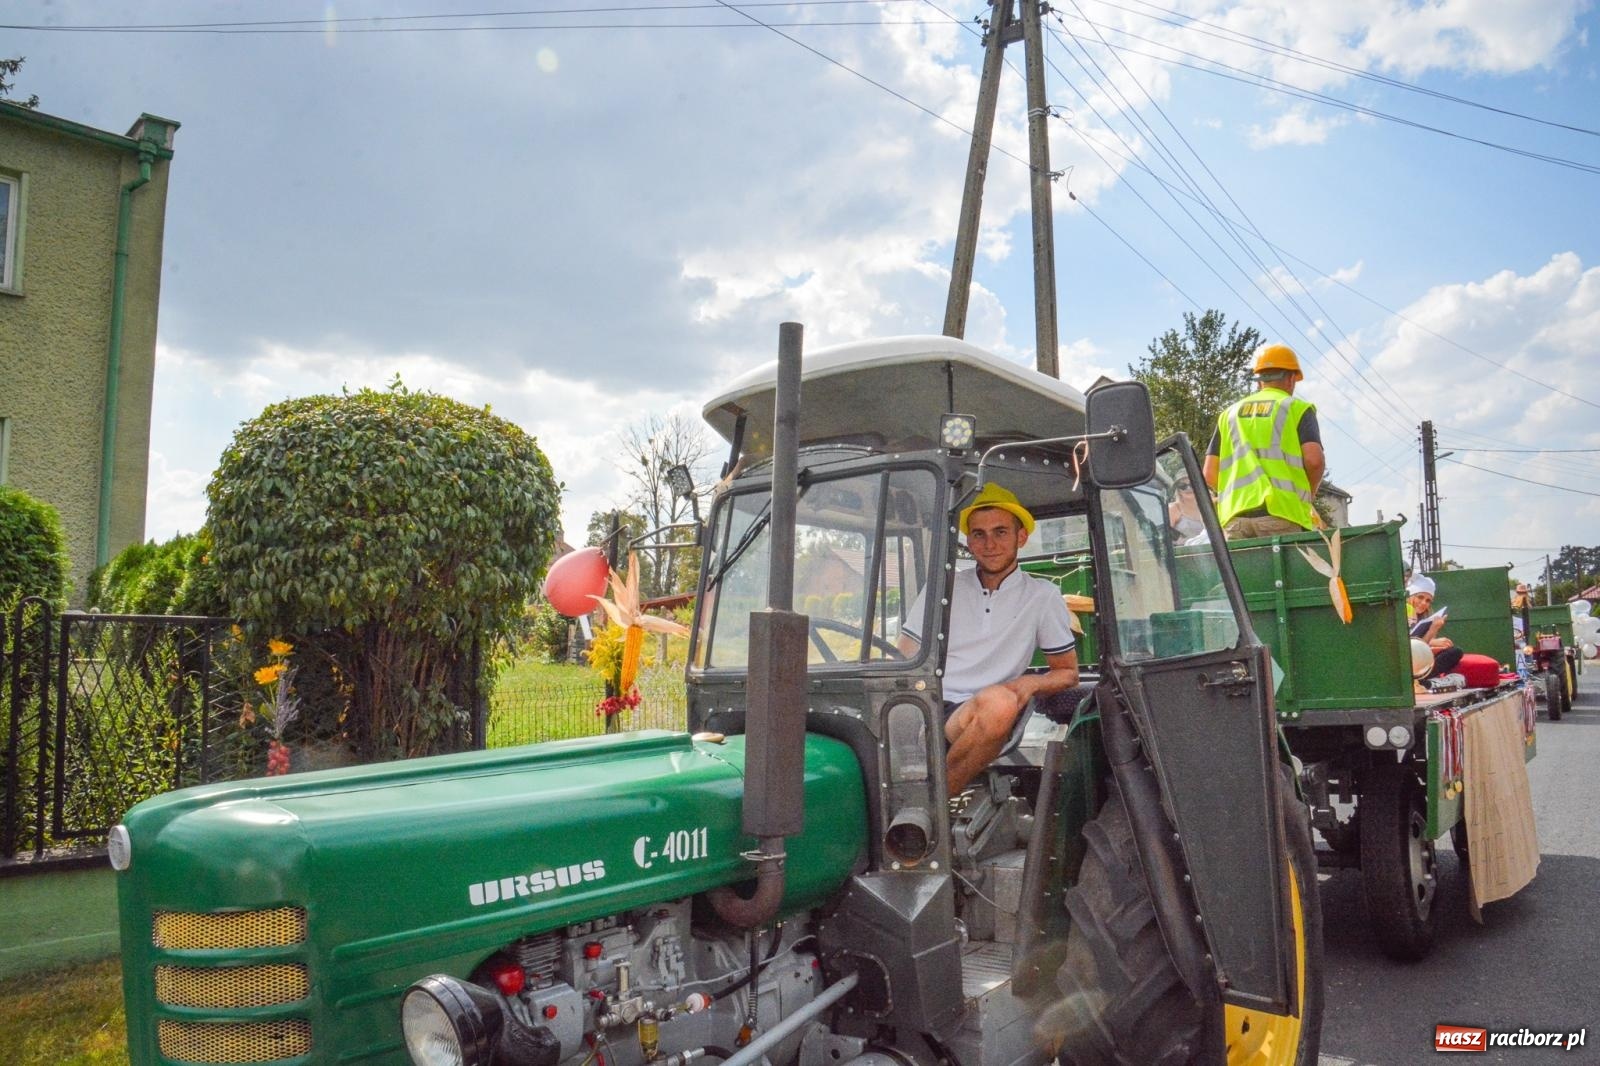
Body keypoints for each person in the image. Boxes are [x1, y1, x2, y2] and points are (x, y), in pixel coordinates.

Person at [900, 483, 1080, 796]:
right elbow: (904, 654)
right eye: (979, 534)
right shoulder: (944, 586)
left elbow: (1067, 672)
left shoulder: (1042, 596)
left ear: (1020, 537)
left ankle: (928, 809)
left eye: (1000, 532)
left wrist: (1028, 684)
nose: (989, 544)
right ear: (968, 541)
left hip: (984, 709)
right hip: (929, 703)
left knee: (999, 704)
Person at [1202, 344, 1326, 540]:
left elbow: (1209, 474)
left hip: (1235, 518)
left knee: (1241, 572)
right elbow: (1314, 461)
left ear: (1259, 381)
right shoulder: (1296, 408)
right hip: (1282, 513)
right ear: (1292, 379)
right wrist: (1307, 496)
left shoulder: (1229, 415)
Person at [1406, 575, 1463, 680]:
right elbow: (1414, 649)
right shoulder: (1404, 612)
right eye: (1420, 597)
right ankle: (1419, 681)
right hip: (1405, 662)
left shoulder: (1424, 617)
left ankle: (1422, 679)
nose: (1423, 603)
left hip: (1416, 660)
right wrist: (1433, 630)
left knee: (1454, 652)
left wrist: (1435, 646)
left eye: (1428, 601)